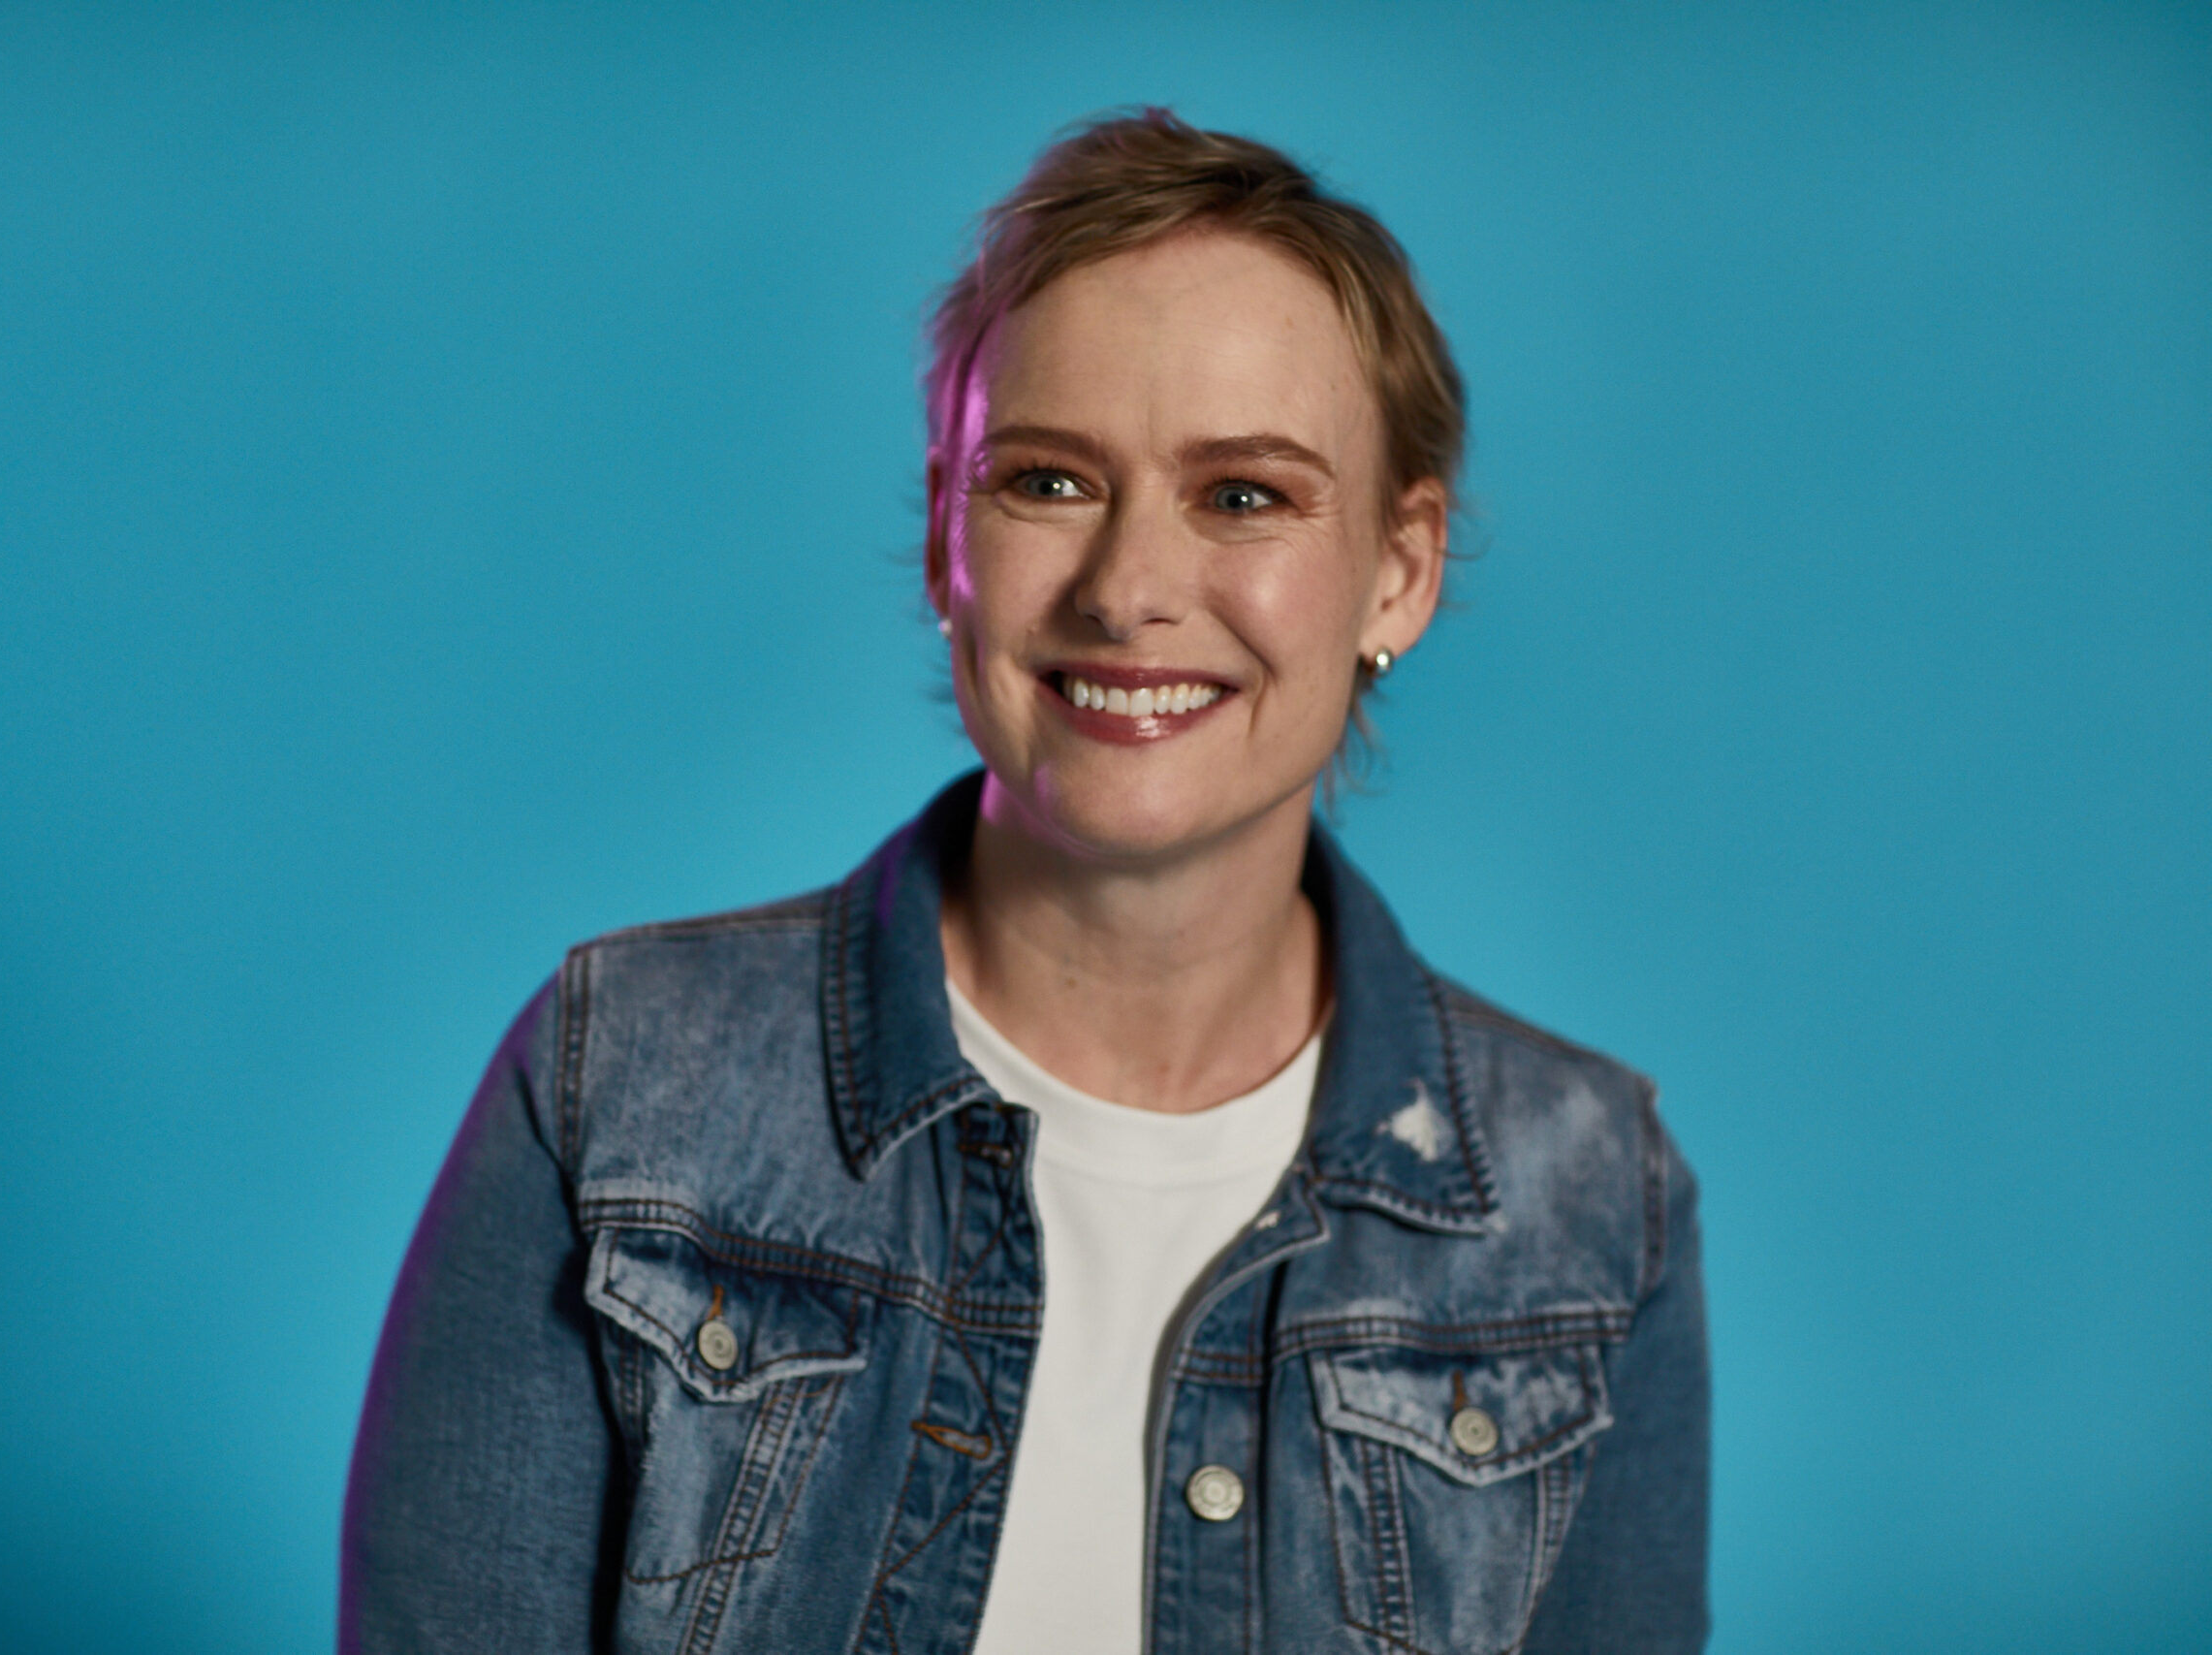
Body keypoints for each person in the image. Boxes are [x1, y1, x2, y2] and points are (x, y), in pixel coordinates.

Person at [341, 109, 1708, 1655]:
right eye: (1050, 481)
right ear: (945, 537)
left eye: (1244, 494)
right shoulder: (623, 1080)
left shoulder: (1591, 1202)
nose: (1129, 587)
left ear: (1399, 570)